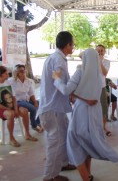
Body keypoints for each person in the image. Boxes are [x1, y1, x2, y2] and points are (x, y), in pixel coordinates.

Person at [53, 48, 118, 181]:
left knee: (74, 143)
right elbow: (92, 97)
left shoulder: (80, 71)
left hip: (81, 111)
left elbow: (66, 90)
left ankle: (85, 177)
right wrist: (80, 95)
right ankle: (88, 174)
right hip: (95, 112)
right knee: (88, 142)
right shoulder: (99, 74)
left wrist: (57, 79)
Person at [37, 31, 76, 181]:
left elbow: (57, 80)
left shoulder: (55, 58)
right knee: (56, 141)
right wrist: (69, 90)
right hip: (53, 108)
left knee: (62, 138)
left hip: (55, 107)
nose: (73, 47)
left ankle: (63, 164)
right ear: (67, 45)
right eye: (72, 44)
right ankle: (50, 177)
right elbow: (57, 80)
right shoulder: (58, 61)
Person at [0, 65, 38, 147]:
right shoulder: (9, 82)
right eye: (6, 73)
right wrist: (9, 109)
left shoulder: (7, 82)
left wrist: (16, 109)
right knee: (11, 114)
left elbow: (14, 97)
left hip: (11, 105)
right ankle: (11, 138)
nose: (8, 74)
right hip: (2, 107)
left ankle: (27, 134)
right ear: (1, 74)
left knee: (24, 111)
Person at [9, 64, 43, 133]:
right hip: (18, 101)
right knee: (33, 109)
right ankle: (34, 125)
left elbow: (31, 93)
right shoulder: (11, 81)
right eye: (21, 70)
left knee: (39, 104)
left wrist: (35, 102)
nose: (23, 72)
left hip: (26, 100)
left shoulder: (28, 81)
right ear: (16, 72)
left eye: (24, 70)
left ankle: (38, 122)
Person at [96, 44, 111, 136]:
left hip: (101, 87)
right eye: (98, 50)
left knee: (103, 108)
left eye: (102, 50)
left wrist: (100, 62)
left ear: (104, 52)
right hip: (92, 87)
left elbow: (105, 73)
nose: (100, 52)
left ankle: (103, 127)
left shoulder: (107, 62)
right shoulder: (91, 61)